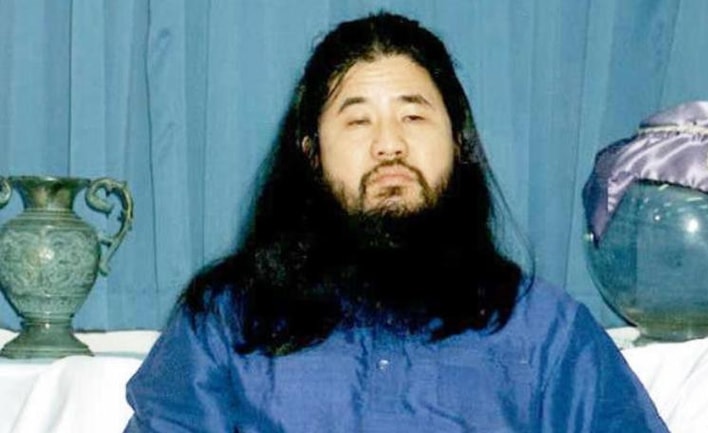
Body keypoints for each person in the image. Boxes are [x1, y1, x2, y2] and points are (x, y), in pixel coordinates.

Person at [125, 12, 669, 433]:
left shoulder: (546, 333)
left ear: (458, 143)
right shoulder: (227, 323)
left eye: (413, 116)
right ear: (312, 154)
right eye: (358, 121)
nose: (389, 144)